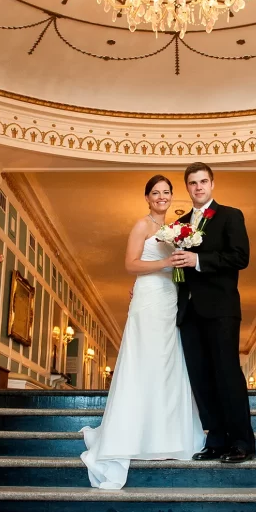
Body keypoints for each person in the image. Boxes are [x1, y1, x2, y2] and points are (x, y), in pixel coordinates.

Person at [80, 175, 206, 489]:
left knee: (168, 363)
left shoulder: (179, 229)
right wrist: (165, 262)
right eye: (155, 193)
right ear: (147, 197)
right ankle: (133, 435)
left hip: (168, 299)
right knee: (145, 361)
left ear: (171, 196)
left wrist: (178, 269)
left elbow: (179, 269)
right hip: (148, 297)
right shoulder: (142, 226)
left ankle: (167, 437)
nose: (161, 197)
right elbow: (131, 264)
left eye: (166, 192)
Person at [170, 163, 255, 463]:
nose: (198, 187)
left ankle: (242, 442)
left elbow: (239, 257)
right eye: (192, 183)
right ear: (187, 187)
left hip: (221, 308)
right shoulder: (178, 225)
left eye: (203, 181)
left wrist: (198, 259)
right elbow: (176, 268)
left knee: (227, 373)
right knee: (201, 378)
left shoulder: (230, 215)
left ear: (212, 183)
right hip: (188, 311)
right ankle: (216, 440)